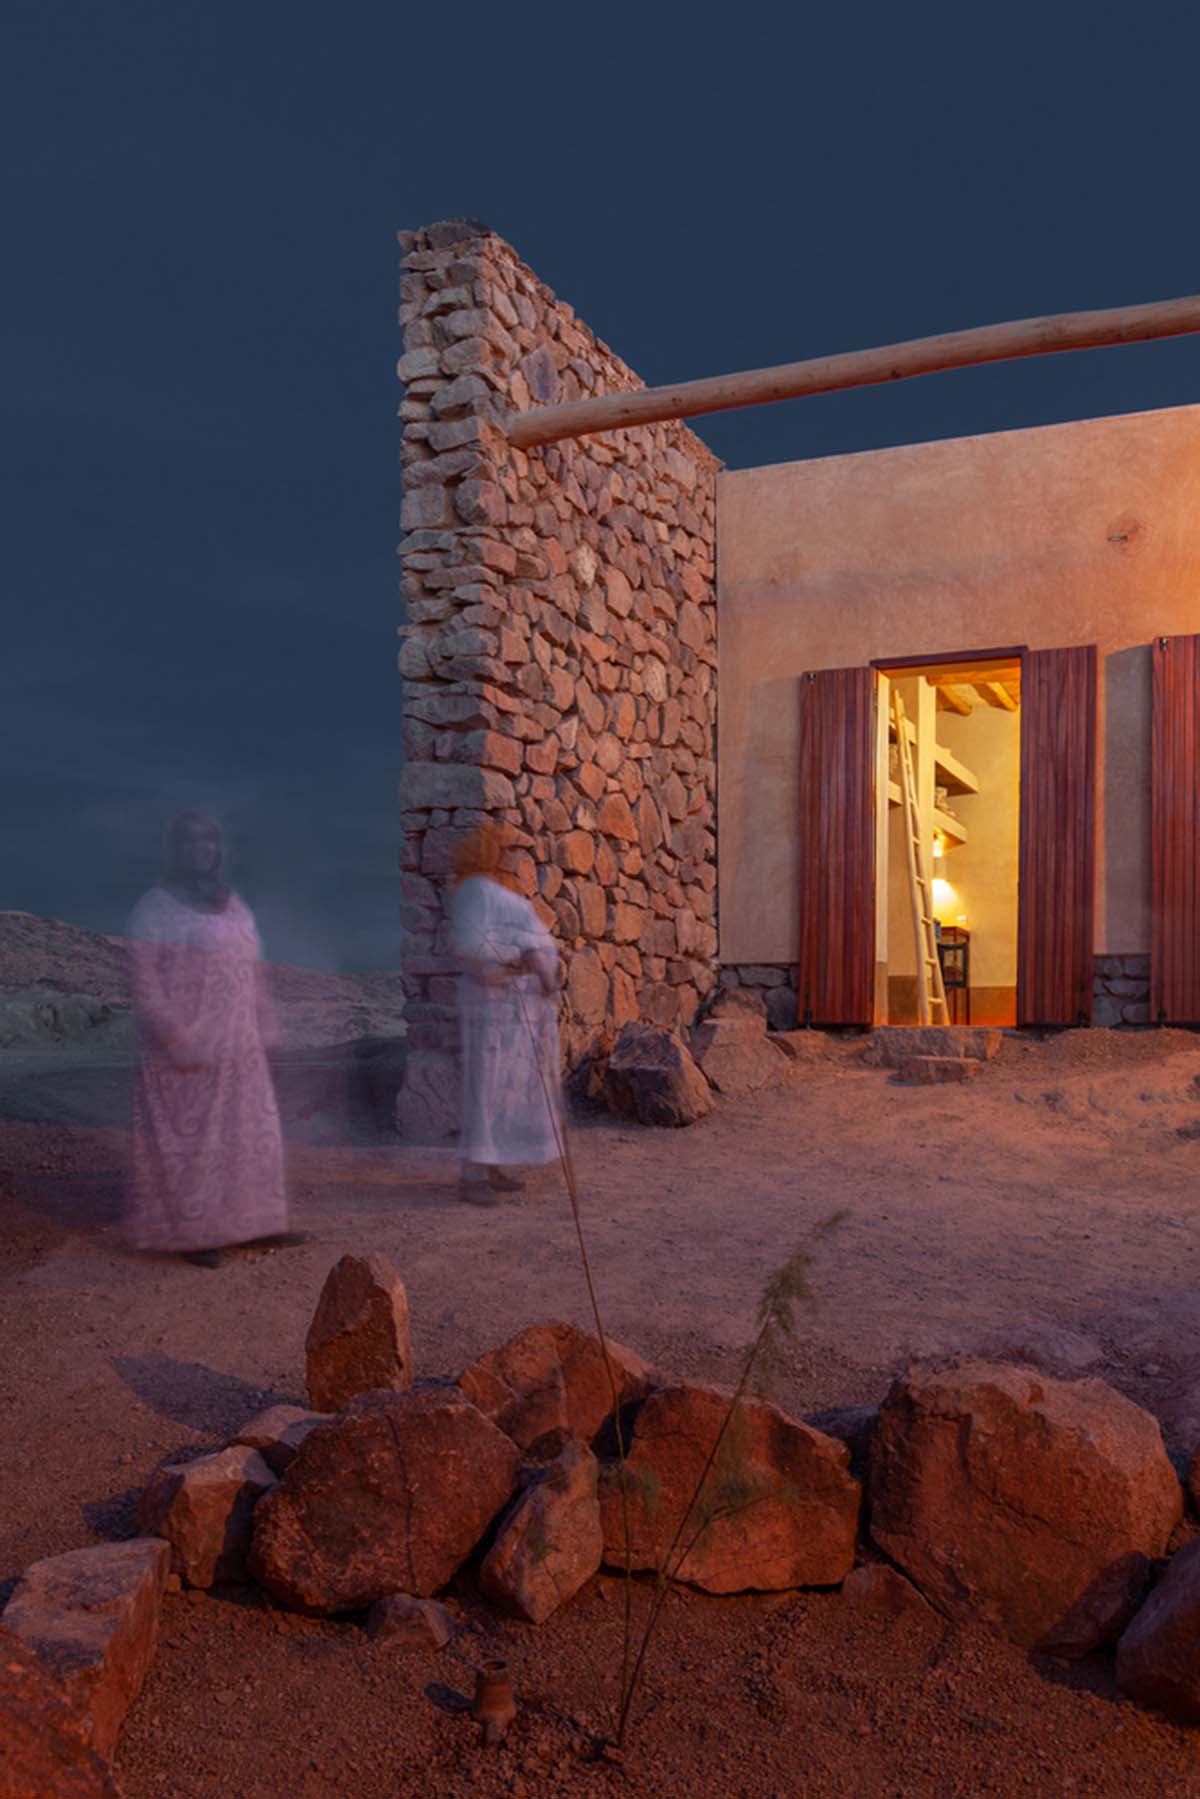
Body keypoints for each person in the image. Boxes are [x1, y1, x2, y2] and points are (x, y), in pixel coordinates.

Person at [125, 811, 303, 1267]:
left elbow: (254, 972)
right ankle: (195, 1230)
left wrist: (268, 1029)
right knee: (195, 1144)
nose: (202, 848)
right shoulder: (155, 908)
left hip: (240, 1046)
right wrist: (176, 1037)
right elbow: (144, 984)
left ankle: (250, 1223)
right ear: (176, 849)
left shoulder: (234, 904)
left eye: (210, 840)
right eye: (191, 840)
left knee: (246, 1137)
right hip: (186, 1050)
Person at [449, 823, 563, 1205]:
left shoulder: (485, 891)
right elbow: (471, 944)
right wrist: (521, 957)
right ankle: (473, 1174)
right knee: (483, 1087)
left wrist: (533, 961)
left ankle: (492, 1163)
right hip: (488, 1004)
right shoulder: (474, 891)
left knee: (500, 1087)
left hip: (504, 1005)